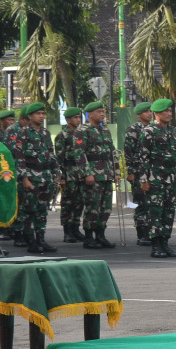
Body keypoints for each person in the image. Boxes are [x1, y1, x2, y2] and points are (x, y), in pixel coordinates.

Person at [139, 97, 176, 258]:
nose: (169, 114)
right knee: (155, 212)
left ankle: (165, 243)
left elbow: (168, 153)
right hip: (155, 178)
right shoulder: (149, 132)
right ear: (157, 113)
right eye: (166, 111)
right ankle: (156, 246)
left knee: (168, 212)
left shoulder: (169, 131)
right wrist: (144, 180)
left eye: (170, 111)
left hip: (170, 178)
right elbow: (143, 157)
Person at [7, 102, 60, 255]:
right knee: (29, 210)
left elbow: (51, 154)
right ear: (30, 116)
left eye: (43, 114)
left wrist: (56, 172)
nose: (41, 116)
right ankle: (30, 240)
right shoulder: (22, 133)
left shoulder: (45, 133)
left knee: (42, 210)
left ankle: (41, 239)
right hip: (31, 176)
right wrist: (24, 178)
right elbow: (19, 157)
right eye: (38, 114)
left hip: (45, 177)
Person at [72, 101, 117, 248]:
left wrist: (116, 172)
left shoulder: (105, 130)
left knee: (106, 207)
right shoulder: (82, 130)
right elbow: (79, 153)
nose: (102, 114)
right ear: (90, 114)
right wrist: (87, 174)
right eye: (99, 111)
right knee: (93, 206)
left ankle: (100, 235)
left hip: (106, 174)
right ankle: (89, 237)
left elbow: (112, 152)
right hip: (92, 174)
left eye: (103, 111)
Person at [54, 107, 84, 243]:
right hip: (69, 171)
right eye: (75, 118)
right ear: (68, 120)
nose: (78, 120)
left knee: (79, 202)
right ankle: (67, 231)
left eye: (79, 117)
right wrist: (62, 177)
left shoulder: (82, 134)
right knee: (68, 203)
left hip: (80, 172)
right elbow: (59, 158)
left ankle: (76, 227)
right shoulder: (63, 136)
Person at [127, 102, 155, 245]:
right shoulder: (133, 129)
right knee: (140, 203)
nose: (150, 113)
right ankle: (141, 234)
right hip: (139, 172)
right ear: (139, 115)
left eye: (151, 111)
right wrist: (130, 172)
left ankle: (151, 232)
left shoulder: (153, 128)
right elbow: (128, 152)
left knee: (151, 203)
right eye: (146, 112)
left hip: (153, 172)